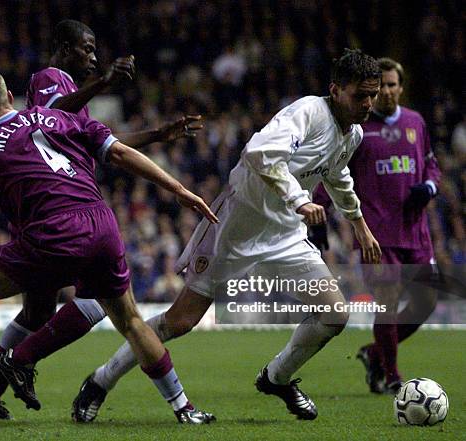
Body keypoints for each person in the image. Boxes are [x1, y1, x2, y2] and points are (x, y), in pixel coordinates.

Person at [67, 48, 383, 423]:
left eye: (373, 94)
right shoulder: (308, 113)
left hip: (284, 236)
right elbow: (259, 152)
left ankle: (277, 378)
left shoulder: (354, 133)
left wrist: (359, 223)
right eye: (359, 95)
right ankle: (100, 381)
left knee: (334, 313)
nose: (367, 103)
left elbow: (336, 174)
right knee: (179, 322)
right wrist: (300, 200)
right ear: (335, 90)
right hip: (234, 230)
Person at [0, 68, 218, 425]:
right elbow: (120, 154)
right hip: (102, 225)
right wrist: (181, 191)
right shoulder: (59, 116)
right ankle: (185, 408)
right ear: (9, 96)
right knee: (132, 321)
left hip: (52, 233)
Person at [0, 19, 204, 420]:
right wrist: (104, 82)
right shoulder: (50, 77)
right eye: (86, 49)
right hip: (56, 217)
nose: (93, 57)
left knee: (37, 313)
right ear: (63, 47)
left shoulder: (73, 92)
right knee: (95, 307)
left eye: (94, 50)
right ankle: (18, 361)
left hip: (52, 214)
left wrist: (156, 135)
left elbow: (97, 140)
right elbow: (48, 115)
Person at [313, 58, 441, 394]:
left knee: (425, 303)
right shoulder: (358, 129)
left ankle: (375, 354)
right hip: (376, 235)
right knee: (386, 300)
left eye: (392, 85)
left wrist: (429, 186)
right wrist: (319, 211)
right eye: (380, 85)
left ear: (401, 87)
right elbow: (331, 174)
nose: (386, 91)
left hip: (416, 231)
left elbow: (432, 166)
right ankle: (392, 375)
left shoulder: (416, 122)